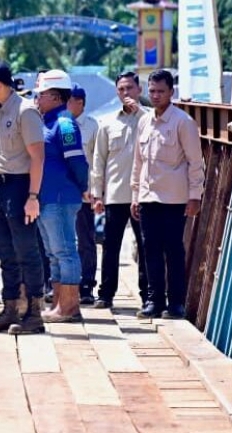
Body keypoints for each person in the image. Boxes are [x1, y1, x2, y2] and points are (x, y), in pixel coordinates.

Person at [0, 61, 47, 335]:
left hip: (21, 186)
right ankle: (9, 309)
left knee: (27, 251)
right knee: (5, 251)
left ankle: (33, 313)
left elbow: (38, 157)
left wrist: (33, 196)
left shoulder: (25, 111)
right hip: (1, 186)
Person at [131, 70, 205, 320]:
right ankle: (154, 301)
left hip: (175, 199)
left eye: (161, 91)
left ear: (171, 92)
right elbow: (138, 162)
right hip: (148, 197)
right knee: (149, 249)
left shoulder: (183, 122)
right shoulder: (144, 122)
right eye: (152, 91)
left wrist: (195, 196)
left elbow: (196, 162)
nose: (156, 96)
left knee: (173, 251)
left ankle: (175, 304)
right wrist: (135, 194)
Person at [90, 72, 149, 309]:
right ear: (117, 92)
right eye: (121, 89)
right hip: (115, 194)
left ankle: (148, 295)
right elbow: (99, 161)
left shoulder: (150, 119)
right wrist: (97, 194)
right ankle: (106, 294)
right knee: (110, 245)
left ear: (139, 90)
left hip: (144, 195)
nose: (126, 93)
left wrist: (140, 111)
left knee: (146, 246)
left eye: (130, 88)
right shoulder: (107, 123)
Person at [33, 70, 88, 323]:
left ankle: (69, 306)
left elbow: (77, 161)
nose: (37, 99)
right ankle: (58, 304)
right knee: (54, 253)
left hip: (60, 197)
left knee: (65, 251)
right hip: (46, 197)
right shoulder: (46, 122)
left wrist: (82, 186)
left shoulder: (64, 124)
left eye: (40, 95)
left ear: (55, 97)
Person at [68, 83, 99, 305]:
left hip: (84, 193)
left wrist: (95, 190)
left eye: (70, 100)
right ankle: (59, 284)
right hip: (60, 193)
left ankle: (87, 285)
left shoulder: (93, 126)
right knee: (61, 241)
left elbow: (97, 161)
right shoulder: (58, 124)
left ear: (80, 102)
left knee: (86, 241)